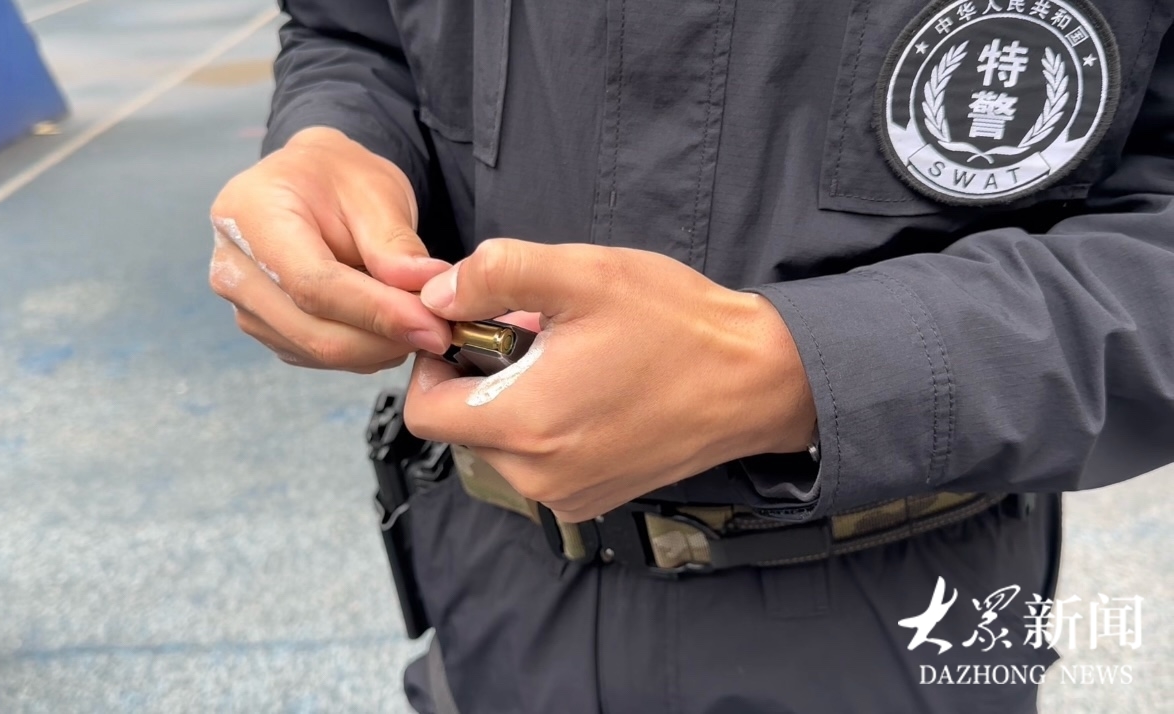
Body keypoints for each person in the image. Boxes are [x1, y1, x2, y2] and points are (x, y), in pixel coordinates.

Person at [209, 0, 1174, 711]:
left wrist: (801, 369)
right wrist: (336, 140)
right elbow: (354, 34)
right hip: (491, 592)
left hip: (901, 615)